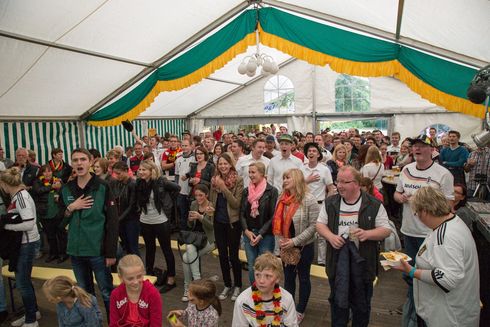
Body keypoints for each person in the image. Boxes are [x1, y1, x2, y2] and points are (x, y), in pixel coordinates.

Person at [393, 187, 480, 327]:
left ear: (425, 211)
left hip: (448, 317)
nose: (417, 217)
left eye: (417, 213)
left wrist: (412, 272)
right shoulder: (450, 223)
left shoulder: (446, 238)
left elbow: (448, 278)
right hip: (447, 312)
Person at [316, 166, 391, 326]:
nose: (339, 185)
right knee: (337, 302)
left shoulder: (373, 204)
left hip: (364, 263)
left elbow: (386, 230)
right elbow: (320, 224)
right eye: (338, 181)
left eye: (345, 182)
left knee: (362, 305)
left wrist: (367, 234)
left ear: (357, 184)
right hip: (336, 262)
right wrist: (330, 237)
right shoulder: (330, 202)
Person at [393, 134, 454, 327]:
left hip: (430, 234)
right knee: (410, 276)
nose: (417, 149)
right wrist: (400, 198)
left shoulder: (443, 174)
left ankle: (426, 316)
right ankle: (412, 313)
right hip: (409, 231)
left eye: (422, 146)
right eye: (415, 146)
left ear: (432, 150)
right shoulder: (406, 170)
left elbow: (449, 205)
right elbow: (396, 193)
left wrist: (424, 204)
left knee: (428, 277)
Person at [58, 148, 118, 317]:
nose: (79, 163)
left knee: (106, 292)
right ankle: (94, 320)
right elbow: (60, 222)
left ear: (91, 161)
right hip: (76, 252)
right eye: (75, 160)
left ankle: (114, 322)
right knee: (85, 294)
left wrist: (111, 252)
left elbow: (113, 223)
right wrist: (71, 208)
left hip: (97, 251)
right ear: (72, 163)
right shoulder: (66, 189)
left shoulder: (103, 186)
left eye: (83, 159)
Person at [273, 168, 319, 323]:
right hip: (286, 245)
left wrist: (295, 241)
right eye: (284, 177)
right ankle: (288, 306)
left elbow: (314, 226)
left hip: (304, 246)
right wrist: (281, 241)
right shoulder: (282, 198)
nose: (285, 180)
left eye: (288, 178)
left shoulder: (309, 199)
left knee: (304, 278)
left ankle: (300, 309)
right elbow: (277, 222)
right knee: (289, 278)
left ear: (298, 180)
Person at [0, 168, 42, 327]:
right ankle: (33, 312)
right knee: (24, 281)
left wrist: (6, 227)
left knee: (22, 282)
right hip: (25, 243)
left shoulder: (21, 197)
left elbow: (29, 223)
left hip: (27, 243)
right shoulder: (18, 196)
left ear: (4, 184)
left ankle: (31, 320)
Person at [136, 160, 180, 293]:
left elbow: (177, 189)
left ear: (151, 171)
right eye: (140, 170)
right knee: (150, 250)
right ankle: (149, 277)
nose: (141, 172)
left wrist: (167, 206)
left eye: (144, 170)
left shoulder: (161, 181)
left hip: (160, 220)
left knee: (166, 250)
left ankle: (171, 279)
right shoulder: (139, 183)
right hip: (145, 220)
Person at [209, 153, 244, 301]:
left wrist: (223, 188)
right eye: (220, 164)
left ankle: (238, 285)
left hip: (233, 223)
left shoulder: (238, 180)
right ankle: (227, 284)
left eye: (225, 164)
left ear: (231, 164)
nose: (223, 166)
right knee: (222, 255)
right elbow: (212, 200)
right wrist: (209, 208)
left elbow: (236, 203)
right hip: (218, 222)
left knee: (233, 256)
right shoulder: (214, 180)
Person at [232, 252, 298, 327]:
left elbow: (291, 325)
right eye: (257, 275)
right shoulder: (243, 301)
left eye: (268, 276)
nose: (261, 281)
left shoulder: (287, 299)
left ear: (277, 278)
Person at [240, 162, 278, 284]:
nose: (250, 175)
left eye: (253, 172)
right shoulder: (246, 191)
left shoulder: (271, 191)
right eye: (249, 172)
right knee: (252, 266)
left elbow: (273, 216)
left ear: (262, 173)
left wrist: (261, 234)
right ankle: (254, 292)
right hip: (249, 233)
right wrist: (246, 231)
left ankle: (265, 293)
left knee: (265, 267)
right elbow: (242, 214)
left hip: (265, 235)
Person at [181, 184, 216, 302]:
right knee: (187, 255)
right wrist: (190, 220)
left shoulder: (211, 206)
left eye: (201, 195)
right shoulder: (193, 204)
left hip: (209, 239)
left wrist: (201, 217)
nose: (198, 198)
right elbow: (190, 225)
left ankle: (190, 286)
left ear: (206, 195)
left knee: (187, 256)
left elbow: (212, 227)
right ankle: (196, 284)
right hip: (196, 239)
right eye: (196, 195)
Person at [109, 255, 162, 327]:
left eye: (139, 276)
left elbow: (156, 324)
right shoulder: (115, 294)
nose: (136, 282)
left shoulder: (153, 293)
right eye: (130, 279)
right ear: (121, 278)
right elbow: (114, 323)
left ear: (144, 273)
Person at [32, 164, 67, 263]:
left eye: (49, 171)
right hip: (45, 212)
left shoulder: (58, 180)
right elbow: (38, 191)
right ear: (41, 173)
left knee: (61, 234)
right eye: (45, 171)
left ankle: (63, 254)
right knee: (50, 235)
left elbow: (64, 191)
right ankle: (53, 253)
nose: (47, 173)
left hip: (57, 212)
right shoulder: (38, 181)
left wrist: (59, 190)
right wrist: (52, 187)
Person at [111, 161, 139, 256]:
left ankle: (138, 269)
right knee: (126, 246)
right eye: (115, 173)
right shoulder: (117, 183)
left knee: (133, 247)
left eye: (119, 173)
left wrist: (118, 219)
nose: (117, 176)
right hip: (121, 219)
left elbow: (132, 205)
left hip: (131, 220)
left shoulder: (133, 184)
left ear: (126, 171)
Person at [175, 139, 196, 231]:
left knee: (192, 213)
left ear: (191, 146)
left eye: (186, 145)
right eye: (183, 146)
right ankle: (183, 232)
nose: (184, 147)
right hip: (181, 192)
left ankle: (193, 231)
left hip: (191, 192)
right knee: (183, 212)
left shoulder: (195, 158)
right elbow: (177, 175)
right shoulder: (178, 158)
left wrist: (188, 176)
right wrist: (176, 188)